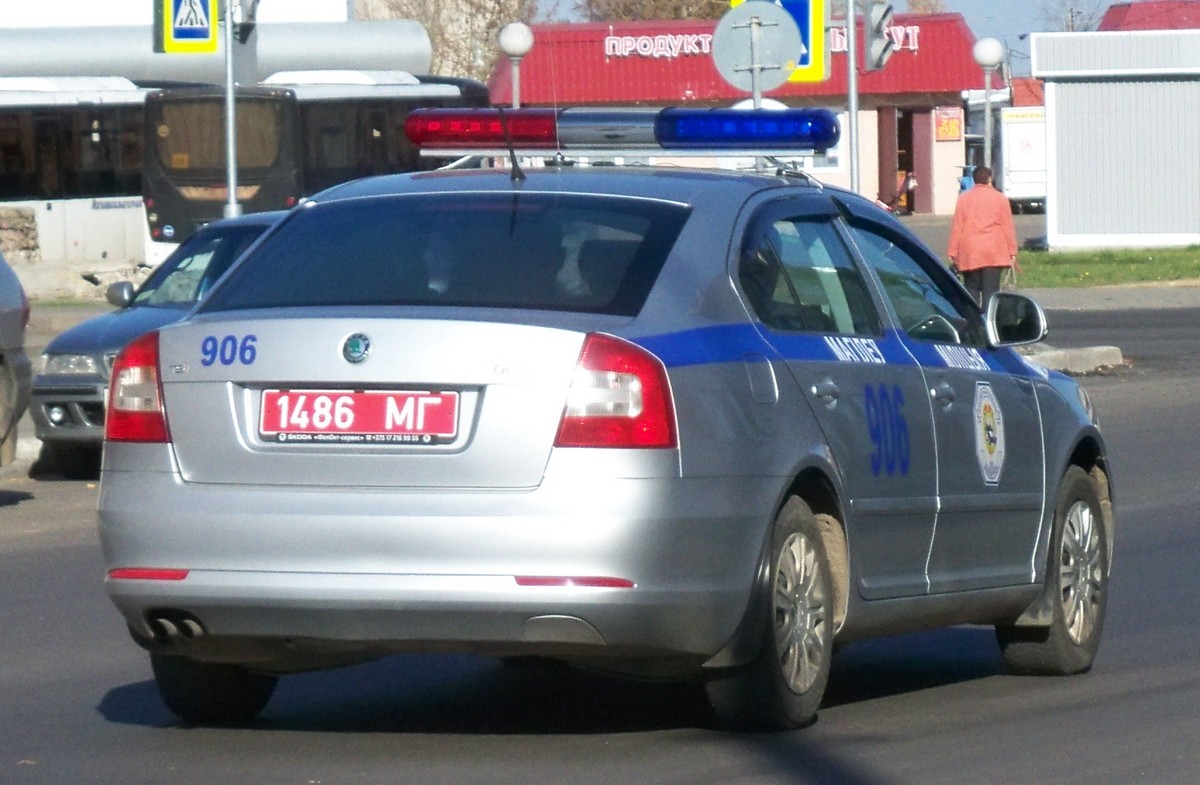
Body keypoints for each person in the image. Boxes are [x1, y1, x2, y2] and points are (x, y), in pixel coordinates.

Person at [947, 165, 1018, 308]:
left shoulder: (964, 199)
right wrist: (1012, 251)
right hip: (993, 253)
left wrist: (952, 252)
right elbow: (1007, 227)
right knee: (990, 293)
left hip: (970, 252)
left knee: (971, 289)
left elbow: (957, 227)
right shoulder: (1000, 199)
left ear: (973, 180)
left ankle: (972, 324)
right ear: (989, 179)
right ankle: (988, 323)